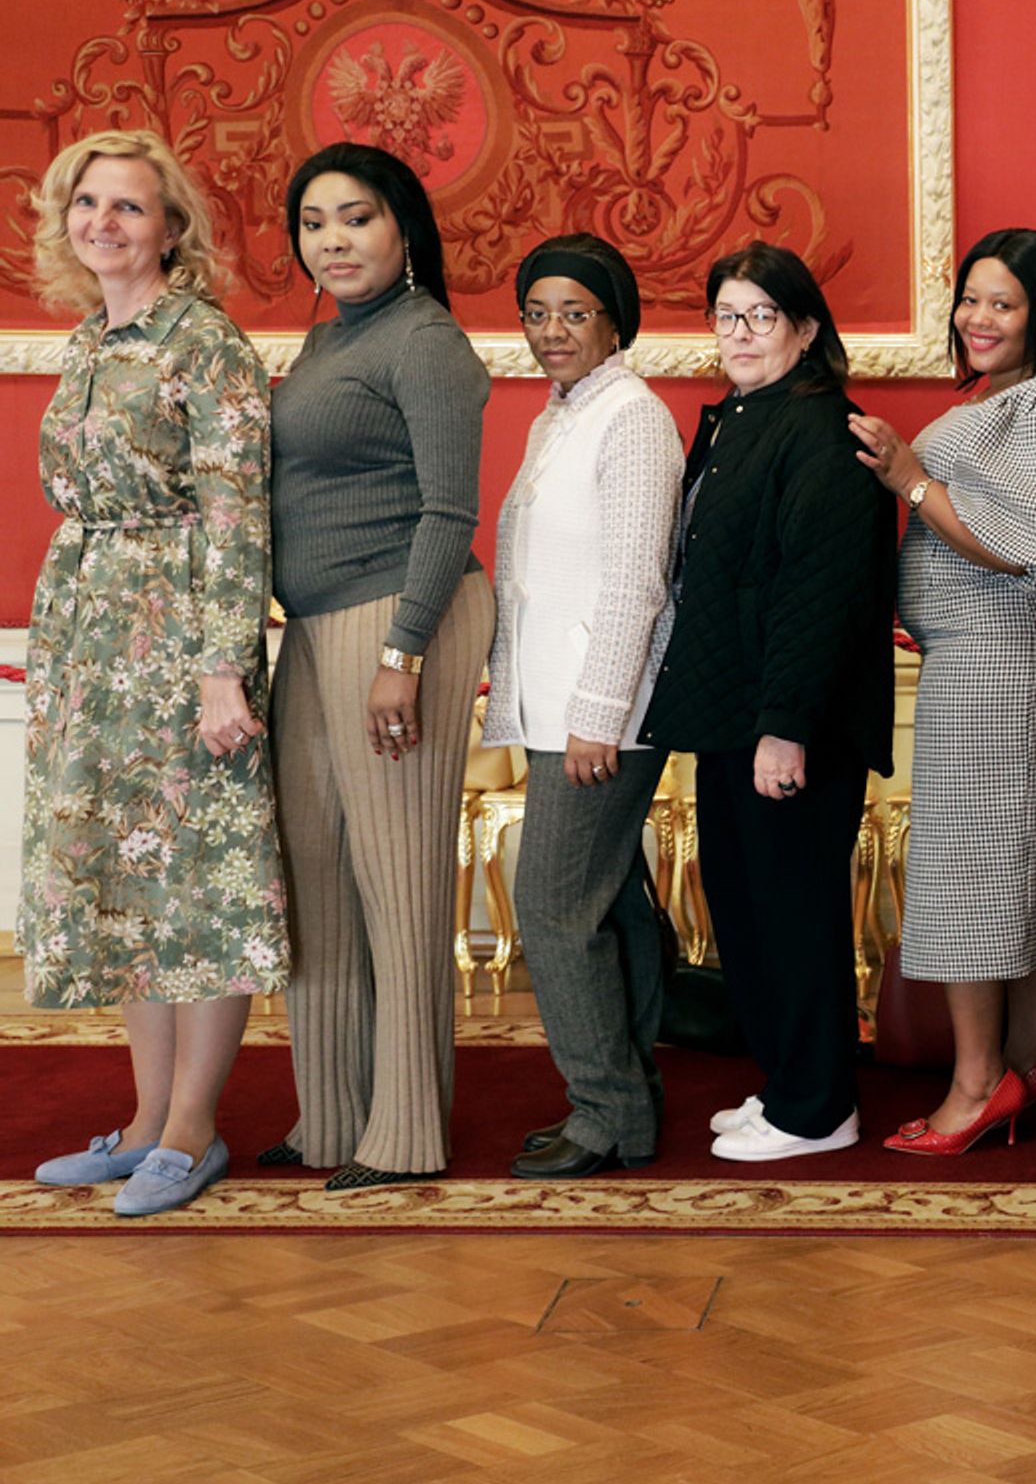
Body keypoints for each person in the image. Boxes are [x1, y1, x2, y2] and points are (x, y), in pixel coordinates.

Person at [18, 130, 287, 1217]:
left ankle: (193, 1127)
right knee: (125, 890)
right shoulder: (88, 342)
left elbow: (235, 511)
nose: (105, 224)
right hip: (94, 641)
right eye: (89, 204)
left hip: (181, 637)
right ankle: (139, 1123)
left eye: (129, 207)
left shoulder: (206, 342)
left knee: (201, 885)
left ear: (172, 226)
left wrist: (225, 669)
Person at [262, 142, 493, 1190]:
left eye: (356, 217)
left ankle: (404, 1136)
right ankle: (330, 1120)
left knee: (396, 884)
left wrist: (403, 651)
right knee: (316, 880)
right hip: (310, 630)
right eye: (315, 222)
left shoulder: (426, 338)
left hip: (398, 620)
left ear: (403, 227)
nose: (333, 240)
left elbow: (449, 510)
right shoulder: (326, 342)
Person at [850, 229, 1036, 1155]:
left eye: (1003, 302)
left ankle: (975, 1086)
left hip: (1001, 658)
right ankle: (1032, 1064)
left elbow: (1031, 547)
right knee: (1023, 865)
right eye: (969, 298)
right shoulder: (1012, 401)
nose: (977, 317)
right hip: (1002, 658)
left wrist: (911, 481)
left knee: (973, 876)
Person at [642, 242, 894, 1162]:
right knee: (746, 910)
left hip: (790, 729)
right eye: (726, 316)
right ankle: (789, 1085)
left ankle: (821, 1108)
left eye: (761, 316)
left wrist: (783, 730)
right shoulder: (743, 418)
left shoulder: (823, 428)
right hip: (731, 717)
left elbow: (815, 593)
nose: (740, 333)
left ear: (806, 329)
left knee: (793, 913)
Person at [483, 235, 684, 1178]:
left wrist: (599, 712)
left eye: (574, 312)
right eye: (536, 312)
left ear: (614, 320)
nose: (551, 331)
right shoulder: (561, 415)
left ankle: (602, 1113)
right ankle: (628, 1103)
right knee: (611, 909)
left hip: (601, 711)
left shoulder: (632, 419)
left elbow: (635, 583)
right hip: (564, 704)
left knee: (555, 907)